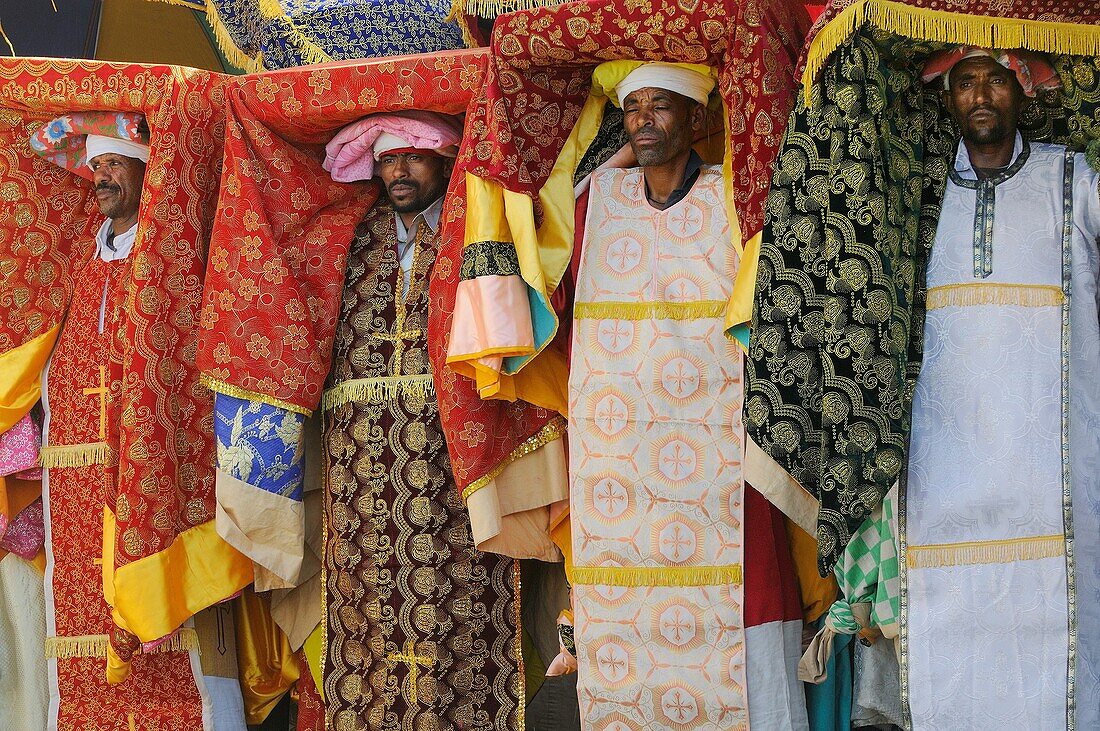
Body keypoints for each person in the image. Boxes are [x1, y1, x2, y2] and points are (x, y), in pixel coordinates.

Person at [448, 59, 809, 730]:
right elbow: (542, 305)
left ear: (699, 120)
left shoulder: (737, 202)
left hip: (721, 464)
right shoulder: (592, 207)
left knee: (748, 604)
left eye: (662, 105)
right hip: (621, 471)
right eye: (633, 106)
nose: (644, 119)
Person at [208, 110, 527, 730]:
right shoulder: (350, 236)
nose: (397, 171)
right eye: (385, 158)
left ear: (443, 158)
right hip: (356, 464)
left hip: (448, 454)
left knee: (456, 604)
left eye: (412, 156)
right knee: (364, 611)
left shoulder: (474, 230)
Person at [896, 47, 1099, 729]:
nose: (980, 95)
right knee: (948, 643)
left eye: (995, 80)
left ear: (1022, 89)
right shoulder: (912, 189)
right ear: (946, 96)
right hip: (941, 472)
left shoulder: (1074, 177)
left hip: (1059, 477)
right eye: (965, 82)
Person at [26, 112, 250, 730]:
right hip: (73, 480)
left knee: (171, 632)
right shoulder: (79, 256)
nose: (100, 176)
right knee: (80, 626)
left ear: (148, 171)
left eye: (114, 163)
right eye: (95, 165)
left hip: (150, 471)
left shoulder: (171, 255)